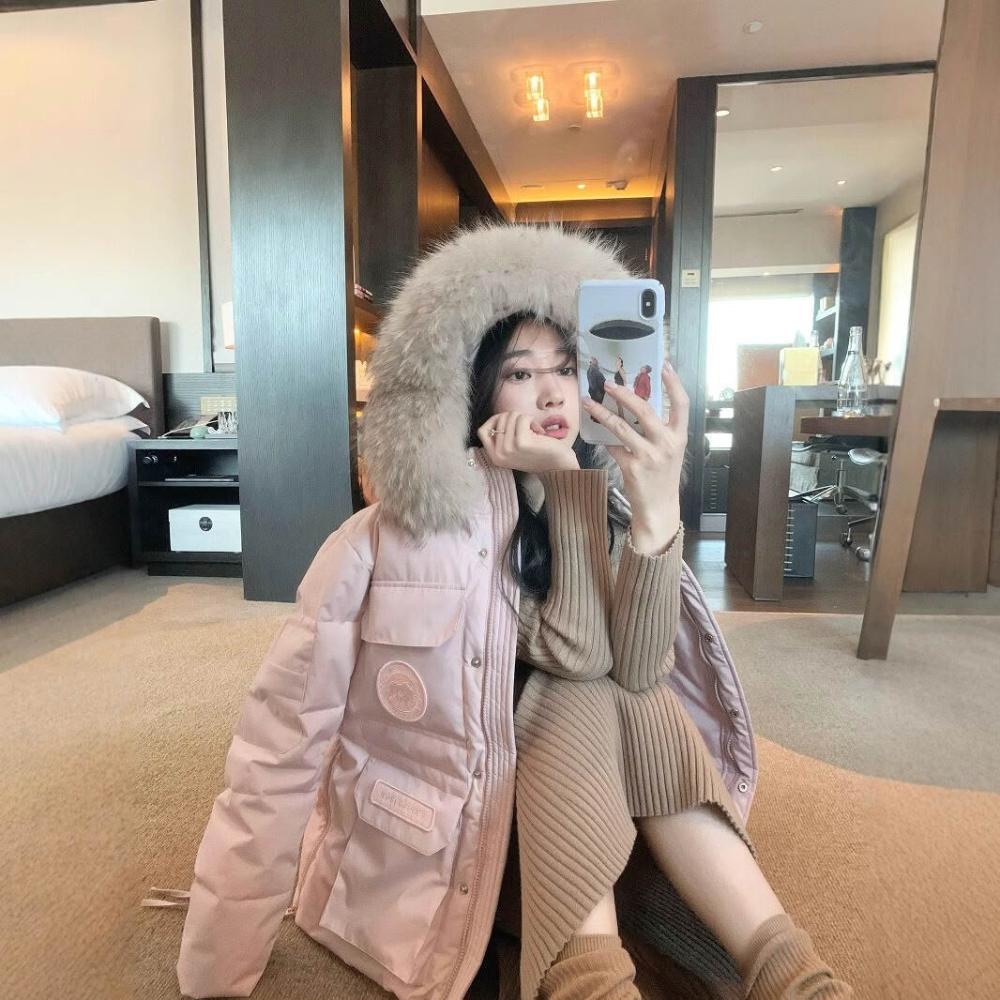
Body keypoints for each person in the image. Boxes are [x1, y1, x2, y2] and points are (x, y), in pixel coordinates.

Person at [174, 224, 850, 1000]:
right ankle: (596, 983)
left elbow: (636, 673)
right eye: (521, 373)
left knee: (617, 694)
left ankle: (796, 980)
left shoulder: (592, 502)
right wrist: (217, 971)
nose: (553, 393)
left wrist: (653, 507)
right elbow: (281, 744)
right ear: (469, 391)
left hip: (575, 833)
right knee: (577, 689)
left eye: (566, 368)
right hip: (447, 859)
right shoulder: (379, 544)